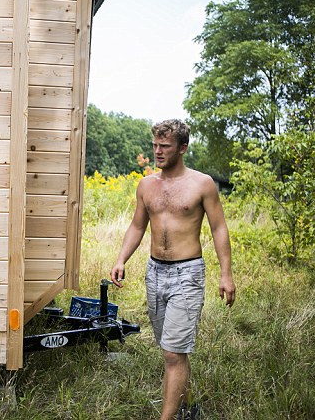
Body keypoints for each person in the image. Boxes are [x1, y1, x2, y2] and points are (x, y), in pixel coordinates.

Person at [110, 119, 235, 420]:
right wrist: (121, 259)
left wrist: (226, 274)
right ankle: (187, 407)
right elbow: (137, 225)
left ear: (182, 148)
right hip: (155, 273)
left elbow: (219, 229)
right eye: (154, 145)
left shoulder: (202, 184)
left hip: (187, 273)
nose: (157, 151)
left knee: (172, 353)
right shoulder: (147, 185)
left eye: (164, 146)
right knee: (172, 350)